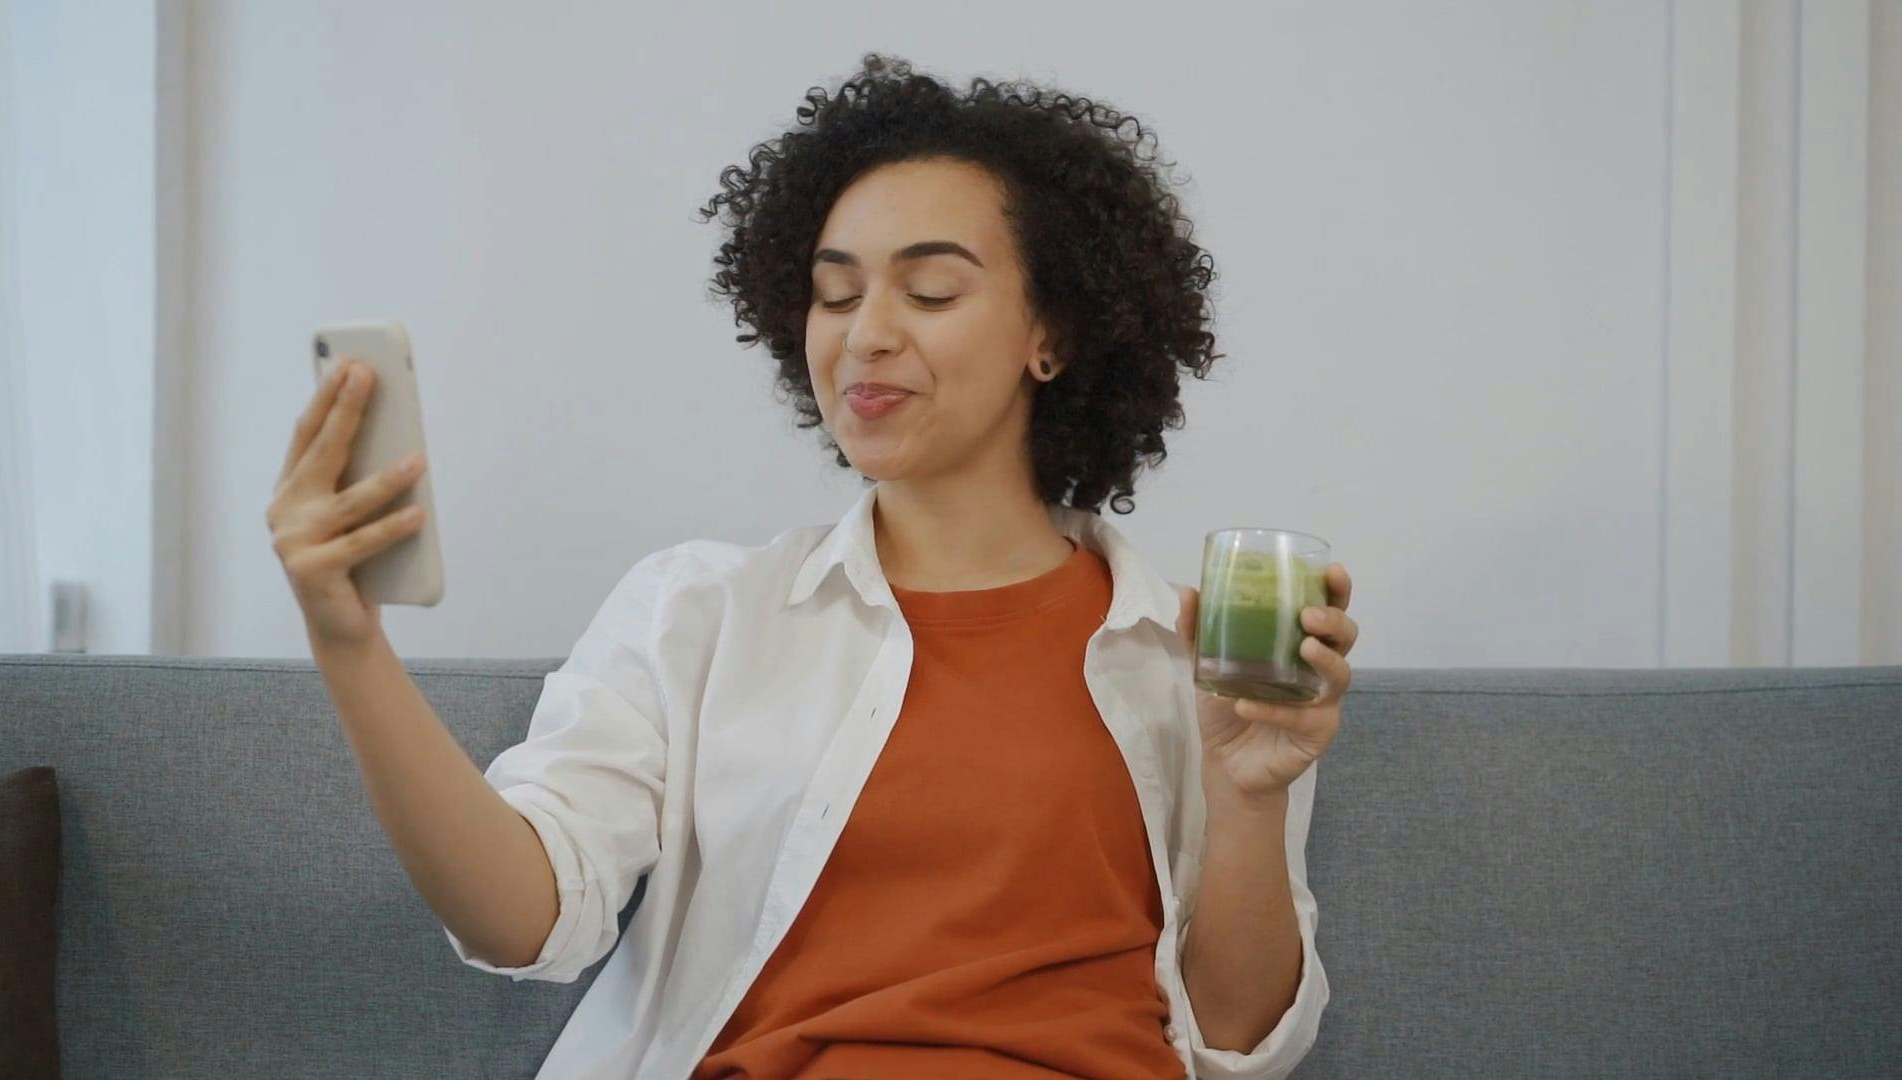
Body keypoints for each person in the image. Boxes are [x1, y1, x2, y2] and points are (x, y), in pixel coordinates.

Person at [267, 52, 1359, 1080]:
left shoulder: (1190, 656)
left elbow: (1239, 1043)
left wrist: (1248, 796)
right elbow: (524, 920)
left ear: (1053, 336)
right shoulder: (699, 612)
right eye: (836, 295)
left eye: (930, 293)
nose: (864, 335)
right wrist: (350, 643)